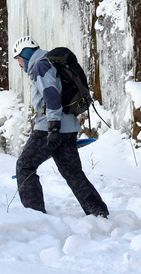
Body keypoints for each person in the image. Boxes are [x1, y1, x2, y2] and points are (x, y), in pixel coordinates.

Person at [12, 35, 109, 218]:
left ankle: (34, 215)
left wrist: (53, 127)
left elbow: (51, 96)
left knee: (25, 166)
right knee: (73, 173)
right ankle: (98, 212)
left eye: (18, 59)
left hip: (49, 128)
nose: (19, 65)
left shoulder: (40, 66)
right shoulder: (50, 63)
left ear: (25, 55)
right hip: (69, 128)